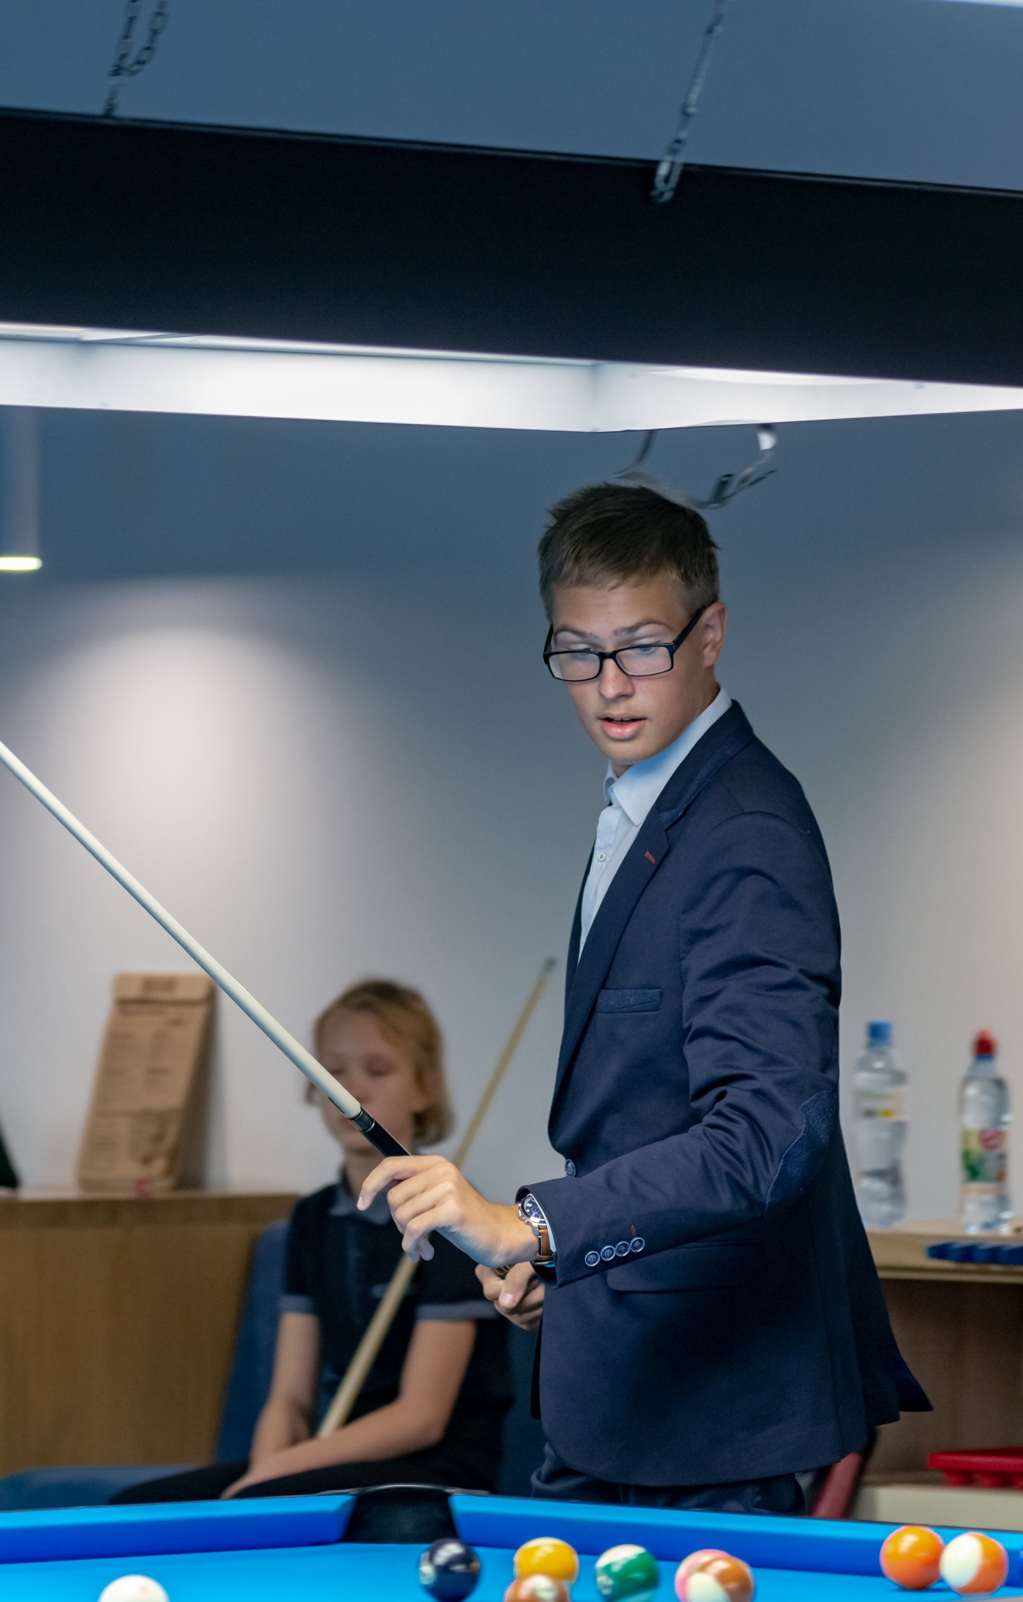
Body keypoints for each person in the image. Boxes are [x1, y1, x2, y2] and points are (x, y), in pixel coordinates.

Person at [357, 482, 923, 1513]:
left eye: (643, 647)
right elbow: (643, 1118)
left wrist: (531, 1225)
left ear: (711, 634)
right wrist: (560, 1262)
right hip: (628, 1380)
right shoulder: (650, 807)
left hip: (715, 1411)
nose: (610, 686)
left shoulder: (745, 830)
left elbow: (766, 1134)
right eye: (578, 652)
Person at [111, 979, 513, 1502]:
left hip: (435, 1469)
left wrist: (277, 1475)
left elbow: (421, 1418)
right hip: (332, 1460)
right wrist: (263, 1474)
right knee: (136, 1507)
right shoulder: (313, 1219)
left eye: (378, 1070)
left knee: (256, 1501)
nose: (353, 1091)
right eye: (334, 1072)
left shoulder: (452, 1217)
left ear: (424, 1089)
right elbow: (290, 1399)